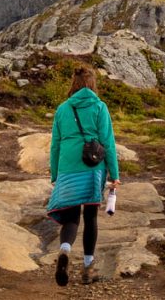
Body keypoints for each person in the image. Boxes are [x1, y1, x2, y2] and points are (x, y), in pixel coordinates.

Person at [46, 63, 120, 286]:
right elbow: (108, 143)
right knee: (90, 217)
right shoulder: (100, 107)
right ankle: (88, 268)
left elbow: (55, 145)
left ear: (74, 84)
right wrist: (114, 175)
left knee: (70, 217)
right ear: (92, 84)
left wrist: (55, 174)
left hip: (68, 167)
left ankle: (65, 250)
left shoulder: (63, 109)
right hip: (92, 168)